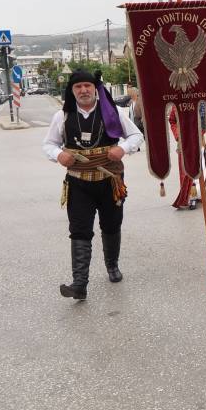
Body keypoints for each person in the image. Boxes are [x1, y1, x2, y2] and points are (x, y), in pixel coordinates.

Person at [42, 70, 144, 300]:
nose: (83, 90)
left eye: (87, 85)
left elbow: (136, 136)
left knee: (111, 225)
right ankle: (79, 284)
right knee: (79, 230)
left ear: (95, 89)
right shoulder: (62, 116)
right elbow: (48, 144)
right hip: (79, 183)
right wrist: (59, 155)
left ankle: (112, 265)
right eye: (78, 87)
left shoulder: (112, 112)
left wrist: (122, 148)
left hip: (110, 181)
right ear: (72, 91)